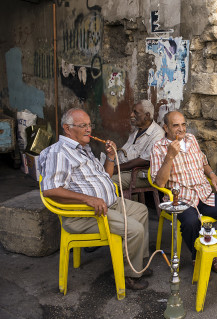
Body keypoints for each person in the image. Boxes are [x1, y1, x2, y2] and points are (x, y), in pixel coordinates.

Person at [39, 108, 151, 290]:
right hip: (85, 215)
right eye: (83, 126)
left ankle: (135, 264)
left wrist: (111, 157)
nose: (89, 129)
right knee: (134, 229)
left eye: (89, 125)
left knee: (141, 211)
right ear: (67, 129)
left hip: (108, 205)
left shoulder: (83, 148)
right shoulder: (59, 153)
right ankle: (128, 276)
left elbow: (105, 177)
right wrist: (87, 199)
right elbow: (50, 190)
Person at [150, 111, 217, 275]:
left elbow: (203, 161)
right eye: (176, 126)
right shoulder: (158, 148)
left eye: (183, 124)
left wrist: (213, 175)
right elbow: (159, 182)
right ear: (165, 127)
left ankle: (216, 249)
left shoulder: (191, 139)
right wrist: (169, 157)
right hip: (181, 198)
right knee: (190, 222)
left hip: (204, 193)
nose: (181, 129)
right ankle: (201, 255)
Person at [111, 100, 164, 189]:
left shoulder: (157, 134)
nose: (131, 115)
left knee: (107, 181)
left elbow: (144, 160)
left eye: (136, 113)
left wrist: (116, 169)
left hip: (138, 174)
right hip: (124, 170)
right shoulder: (137, 130)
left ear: (147, 116)